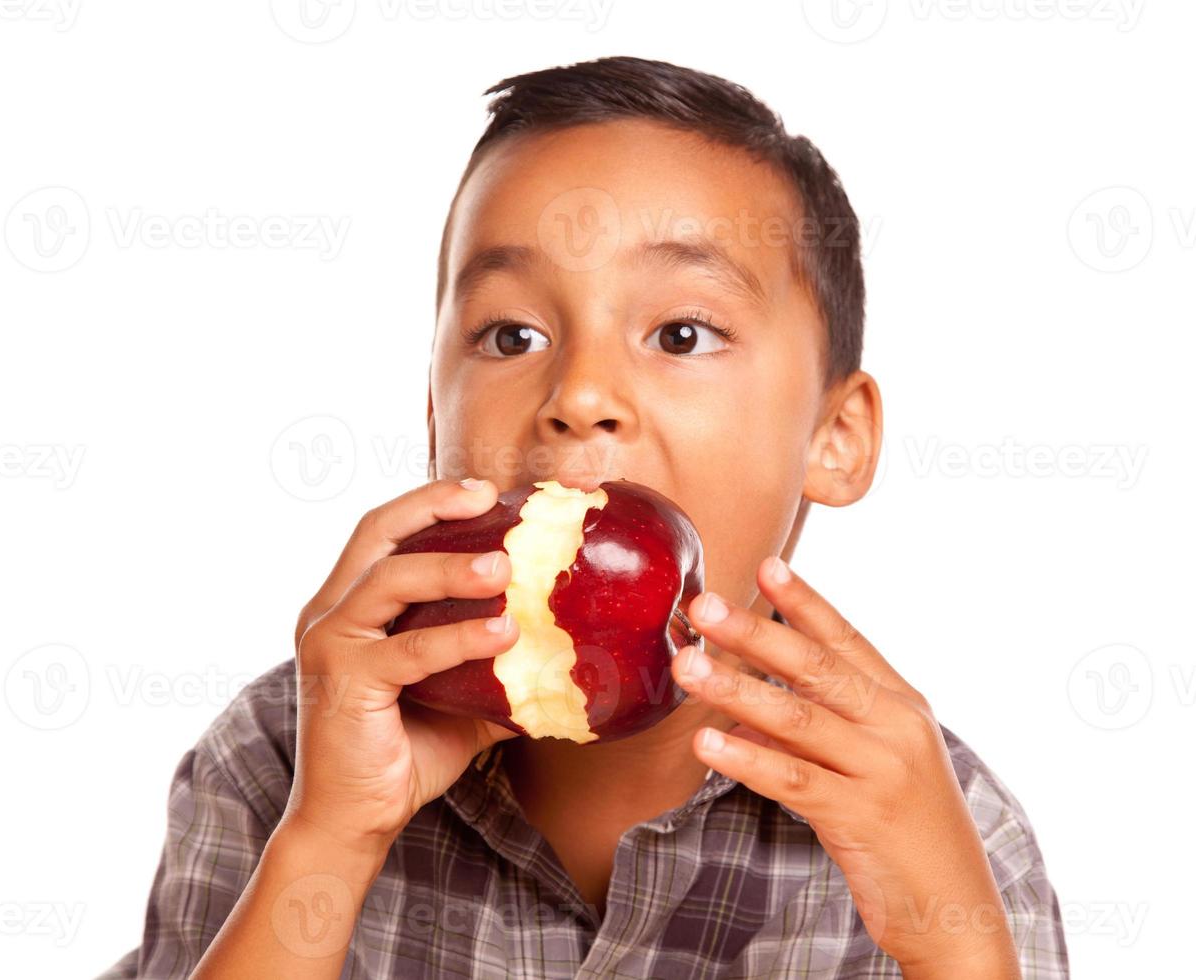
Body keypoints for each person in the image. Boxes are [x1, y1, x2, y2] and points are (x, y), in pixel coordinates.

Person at [100, 55, 1068, 979]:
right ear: (436, 419)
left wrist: (954, 948)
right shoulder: (285, 753)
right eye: (510, 334)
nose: (582, 392)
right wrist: (329, 833)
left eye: (680, 334)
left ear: (835, 435)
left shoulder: (944, 830)